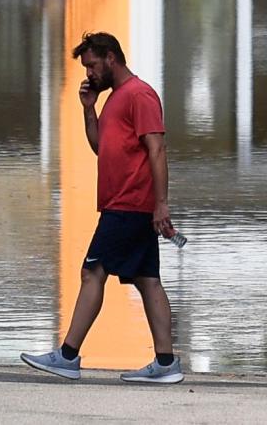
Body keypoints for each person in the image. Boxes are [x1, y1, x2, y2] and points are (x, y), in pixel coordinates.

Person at [20, 32, 184, 384]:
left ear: (111, 58)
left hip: (129, 204)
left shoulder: (139, 95)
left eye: (93, 65)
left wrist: (161, 204)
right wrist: (89, 109)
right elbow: (102, 148)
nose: (89, 73)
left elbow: (157, 149)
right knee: (148, 280)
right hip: (124, 203)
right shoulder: (114, 99)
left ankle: (67, 355)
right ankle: (166, 363)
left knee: (92, 272)